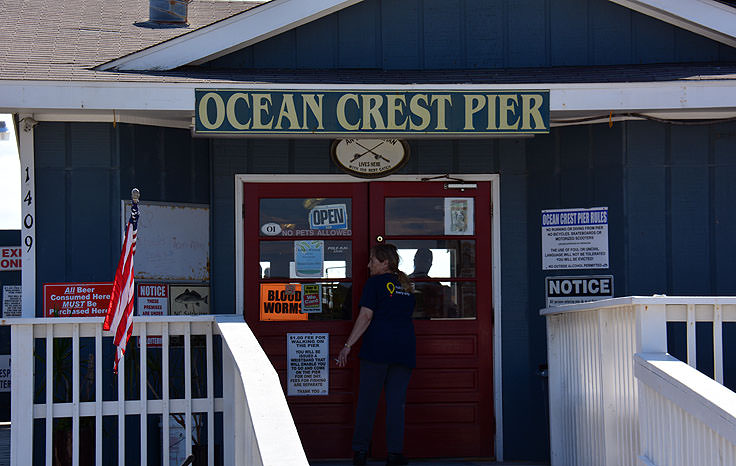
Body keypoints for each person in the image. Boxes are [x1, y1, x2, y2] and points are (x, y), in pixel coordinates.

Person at [336, 244, 416, 466]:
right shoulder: (406, 285)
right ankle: (394, 454)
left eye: (372, 260)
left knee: (367, 403)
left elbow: (365, 316)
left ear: (385, 263)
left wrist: (348, 345)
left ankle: (360, 452)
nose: (368, 264)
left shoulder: (375, 284)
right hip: (404, 349)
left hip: (378, 349)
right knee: (396, 404)